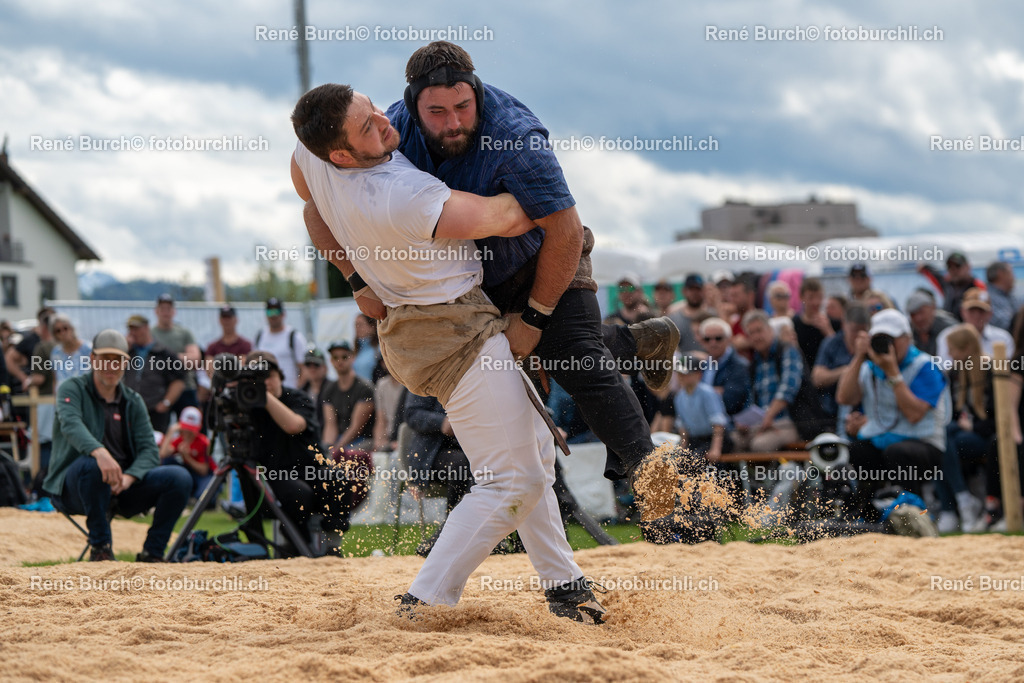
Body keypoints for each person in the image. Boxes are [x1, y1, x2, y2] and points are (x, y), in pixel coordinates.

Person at [287, 81, 673, 622]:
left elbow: (310, 208)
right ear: (344, 154)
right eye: (368, 125)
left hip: (427, 325)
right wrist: (522, 156)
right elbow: (515, 216)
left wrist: (354, 278)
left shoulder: (311, 155)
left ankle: (564, 584)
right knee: (510, 478)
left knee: (534, 451)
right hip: (453, 332)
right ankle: (424, 598)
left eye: (372, 106)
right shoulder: (405, 195)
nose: (382, 118)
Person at [301, 41, 681, 495]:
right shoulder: (388, 130)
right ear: (411, 105)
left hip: (547, 256)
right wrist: (357, 280)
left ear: (476, 91)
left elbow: (566, 232)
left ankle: (666, 495)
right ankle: (640, 341)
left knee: (577, 361)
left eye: (463, 105)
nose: (454, 121)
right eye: (437, 112)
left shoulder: (518, 140)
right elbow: (313, 208)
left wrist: (534, 317)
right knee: (532, 371)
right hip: (481, 279)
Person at [42, 330, 192, 561]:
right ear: (92, 359)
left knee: (179, 477)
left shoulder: (133, 400)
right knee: (92, 466)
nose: (111, 366)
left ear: (126, 362)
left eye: (117, 360)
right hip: (74, 486)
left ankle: (153, 553)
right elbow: (71, 425)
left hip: (122, 486)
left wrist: (129, 477)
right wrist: (100, 453)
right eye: (104, 359)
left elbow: (150, 450)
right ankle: (101, 549)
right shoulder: (71, 389)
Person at [835, 309, 948, 535]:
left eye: (892, 339)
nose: (887, 346)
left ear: (907, 338)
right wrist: (858, 357)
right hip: (883, 442)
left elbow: (914, 415)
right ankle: (867, 517)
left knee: (898, 453)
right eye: (880, 339)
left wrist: (893, 373)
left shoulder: (925, 365)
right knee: (856, 451)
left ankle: (913, 515)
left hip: (924, 443)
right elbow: (844, 398)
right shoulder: (869, 367)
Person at [238, 351, 362, 554]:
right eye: (257, 378)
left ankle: (333, 546)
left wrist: (264, 395)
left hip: (310, 468)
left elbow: (294, 425)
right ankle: (296, 543)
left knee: (338, 479)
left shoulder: (297, 398)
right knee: (298, 494)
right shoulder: (248, 406)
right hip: (276, 474)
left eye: (268, 375)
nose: (264, 382)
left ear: (280, 375)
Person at [934, 325, 989, 533]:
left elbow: (995, 420)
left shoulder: (989, 370)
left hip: (984, 435)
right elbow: (955, 414)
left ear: (966, 348)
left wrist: (973, 425)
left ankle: (953, 505)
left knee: (943, 441)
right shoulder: (957, 373)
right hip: (962, 432)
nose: (949, 355)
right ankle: (961, 500)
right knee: (938, 440)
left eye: (952, 350)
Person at [732, 310, 803, 453]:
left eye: (759, 330)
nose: (756, 337)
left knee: (760, 446)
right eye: (751, 333)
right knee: (732, 441)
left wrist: (769, 416)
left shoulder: (787, 350)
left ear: (770, 330)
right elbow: (751, 399)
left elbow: (788, 388)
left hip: (788, 421)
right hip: (761, 424)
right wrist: (744, 422)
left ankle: (767, 476)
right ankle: (744, 476)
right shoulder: (755, 363)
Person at [812, 301, 871, 434]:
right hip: (832, 408)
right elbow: (817, 377)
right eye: (855, 330)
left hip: (863, 407)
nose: (859, 335)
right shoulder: (832, 344)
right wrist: (846, 371)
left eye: (864, 330)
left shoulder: (871, 345)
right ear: (844, 325)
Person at [123, 315, 186, 433]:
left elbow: (179, 381)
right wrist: (124, 348)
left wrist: (166, 403)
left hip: (155, 411)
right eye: (131, 329)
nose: (133, 333)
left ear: (146, 328)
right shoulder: (128, 352)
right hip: (131, 409)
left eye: (136, 329)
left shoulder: (164, 353)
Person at [150, 294, 201, 413]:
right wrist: (180, 359)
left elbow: (194, 360)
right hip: (160, 390)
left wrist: (167, 359)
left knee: (192, 427)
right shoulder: (150, 334)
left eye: (169, 309)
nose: (165, 312)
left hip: (185, 387)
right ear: (156, 311)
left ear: (174, 311)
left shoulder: (184, 333)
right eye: (162, 309)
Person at [321, 341, 375, 452]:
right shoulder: (329, 389)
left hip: (363, 441)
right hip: (340, 440)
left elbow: (356, 427)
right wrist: (328, 447)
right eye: (335, 358)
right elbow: (330, 424)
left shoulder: (365, 388)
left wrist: (337, 449)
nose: (339, 361)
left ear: (352, 358)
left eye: (344, 357)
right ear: (331, 361)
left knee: (345, 457)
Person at [935, 288, 1013, 362]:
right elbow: (945, 368)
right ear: (962, 311)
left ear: (990, 314)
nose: (976, 316)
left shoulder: (1003, 338)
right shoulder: (947, 336)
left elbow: (1009, 368)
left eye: (981, 311)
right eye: (972, 310)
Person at [698, 317, 750, 419]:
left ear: (729, 339)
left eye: (718, 338)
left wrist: (705, 395)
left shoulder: (739, 365)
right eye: (707, 339)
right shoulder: (704, 365)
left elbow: (731, 401)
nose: (713, 343)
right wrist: (716, 392)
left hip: (730, 424)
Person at [158, 405, 213, 500]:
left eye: (191, 430)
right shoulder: (180, 440)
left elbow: (204, 471)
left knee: (203, 497)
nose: (188, 432)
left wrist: (187, 457)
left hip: (203, 475)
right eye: (185, 428)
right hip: (189, 472)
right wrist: (171, 431)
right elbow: (162, 454)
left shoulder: (204, 442)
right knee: (168, 461)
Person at [253, 297, 308, 388]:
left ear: (283, 314)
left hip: (288, 391)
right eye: (270, 312)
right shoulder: (259, 336)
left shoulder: (294, 336)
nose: (273, 315)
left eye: (276, 311)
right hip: (267, 393)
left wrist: (296, 391)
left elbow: (304, 368)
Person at [919, 252, 986, 322]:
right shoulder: (947, 285)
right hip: (949, 326)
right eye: (950, 267)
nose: (954, 270)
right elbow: (935, 275)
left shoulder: (977, 286)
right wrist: (925, 267)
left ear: (968, 267)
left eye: (957, 266)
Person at [791, 277, 838, 372]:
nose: (815, 302)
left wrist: (828, 331)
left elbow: (839, 352)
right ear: (801, 298)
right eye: (811, 297)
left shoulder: (833, 322)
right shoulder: (794, 323)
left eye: (819, 297)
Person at [906, 290, 955, 357]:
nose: (918, 318)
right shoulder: (907, 332)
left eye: (921, 312)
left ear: (933, 308)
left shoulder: (949, 329)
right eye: (913, 314)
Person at [49, 314, 91, 390]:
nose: (63, 333)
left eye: (65, 328)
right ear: (55, 335)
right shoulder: (55, 353)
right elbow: (55, 380)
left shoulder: (88, 349)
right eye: (58, 331)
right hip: (63, 397)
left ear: (71, 328)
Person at [985, 261, 1018, 332]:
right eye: (1011, 273)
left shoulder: (1010, 297)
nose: (1014, 277)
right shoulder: (987, 297)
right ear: (1001, 274)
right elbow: (1004, 324)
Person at [352, 313, 381, 381]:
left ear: (372, 327)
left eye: (360, 325)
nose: (357, 328)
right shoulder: (355, 351)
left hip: (373, 389)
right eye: (356, 325)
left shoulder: (379, 350)